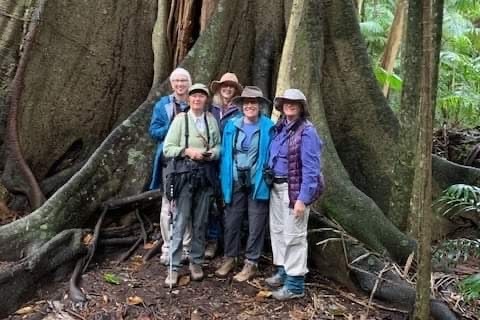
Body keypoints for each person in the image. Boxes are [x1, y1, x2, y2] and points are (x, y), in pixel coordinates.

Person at [265, 89, 324, 300]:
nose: (289, 106)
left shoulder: (307, 132)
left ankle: (295, 285)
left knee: (294, 236)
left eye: (294, 103)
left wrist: (302, 199)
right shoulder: (280, 128)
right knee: (279, 231)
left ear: (301, 107)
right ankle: (283, 271)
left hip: (295, 191)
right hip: (277, 188)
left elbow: (312, 170)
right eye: (285, 103)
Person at [163, 83, 221, 287]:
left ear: (206, 100)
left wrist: (211, 154)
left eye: (201, 96)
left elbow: (218, 146)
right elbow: (167, 148)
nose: (197, 100)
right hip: (185, 177)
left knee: (200, 222)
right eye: (194, 96)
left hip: (205, 177)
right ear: (189, 99)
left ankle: (196, 263)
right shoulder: (181, 120)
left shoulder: (211, 120)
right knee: (180, 221)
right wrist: (188, 151)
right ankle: (174, 266)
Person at [215, 86, 274, 282]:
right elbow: (226, 154)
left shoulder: (268, 126)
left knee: (256, 222)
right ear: (241, 105)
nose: (250, 106)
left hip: (258, 180)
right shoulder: (232, 125)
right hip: (234, 179)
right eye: (247, 102)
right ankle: (230, 258)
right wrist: (225, 179)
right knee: (232, 220)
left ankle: (251, 263)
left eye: (254, 102)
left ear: (259, 106)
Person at [148, 67, 193, 265]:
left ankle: (185, 247)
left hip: (191, 163)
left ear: (189, 83)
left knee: (187, 205)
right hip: (170, 162)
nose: (180, 85)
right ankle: (167, 247)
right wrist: (172, 126)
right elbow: (154, 131)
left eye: (183, 81)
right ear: (172, 84)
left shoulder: (195, 103)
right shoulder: (163, 105)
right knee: (168, 205)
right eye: (176, 81)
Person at [203, 72, 243, 259]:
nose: (227, 89)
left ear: (235, 90)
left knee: (228, 202)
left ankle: (229, 242)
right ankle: (212, 239)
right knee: (211, 202)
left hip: (231, 164)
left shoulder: (241, 111)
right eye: (224, 85)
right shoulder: (210, 108)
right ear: (219, 88)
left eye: (231, 86)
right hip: (210, 162)